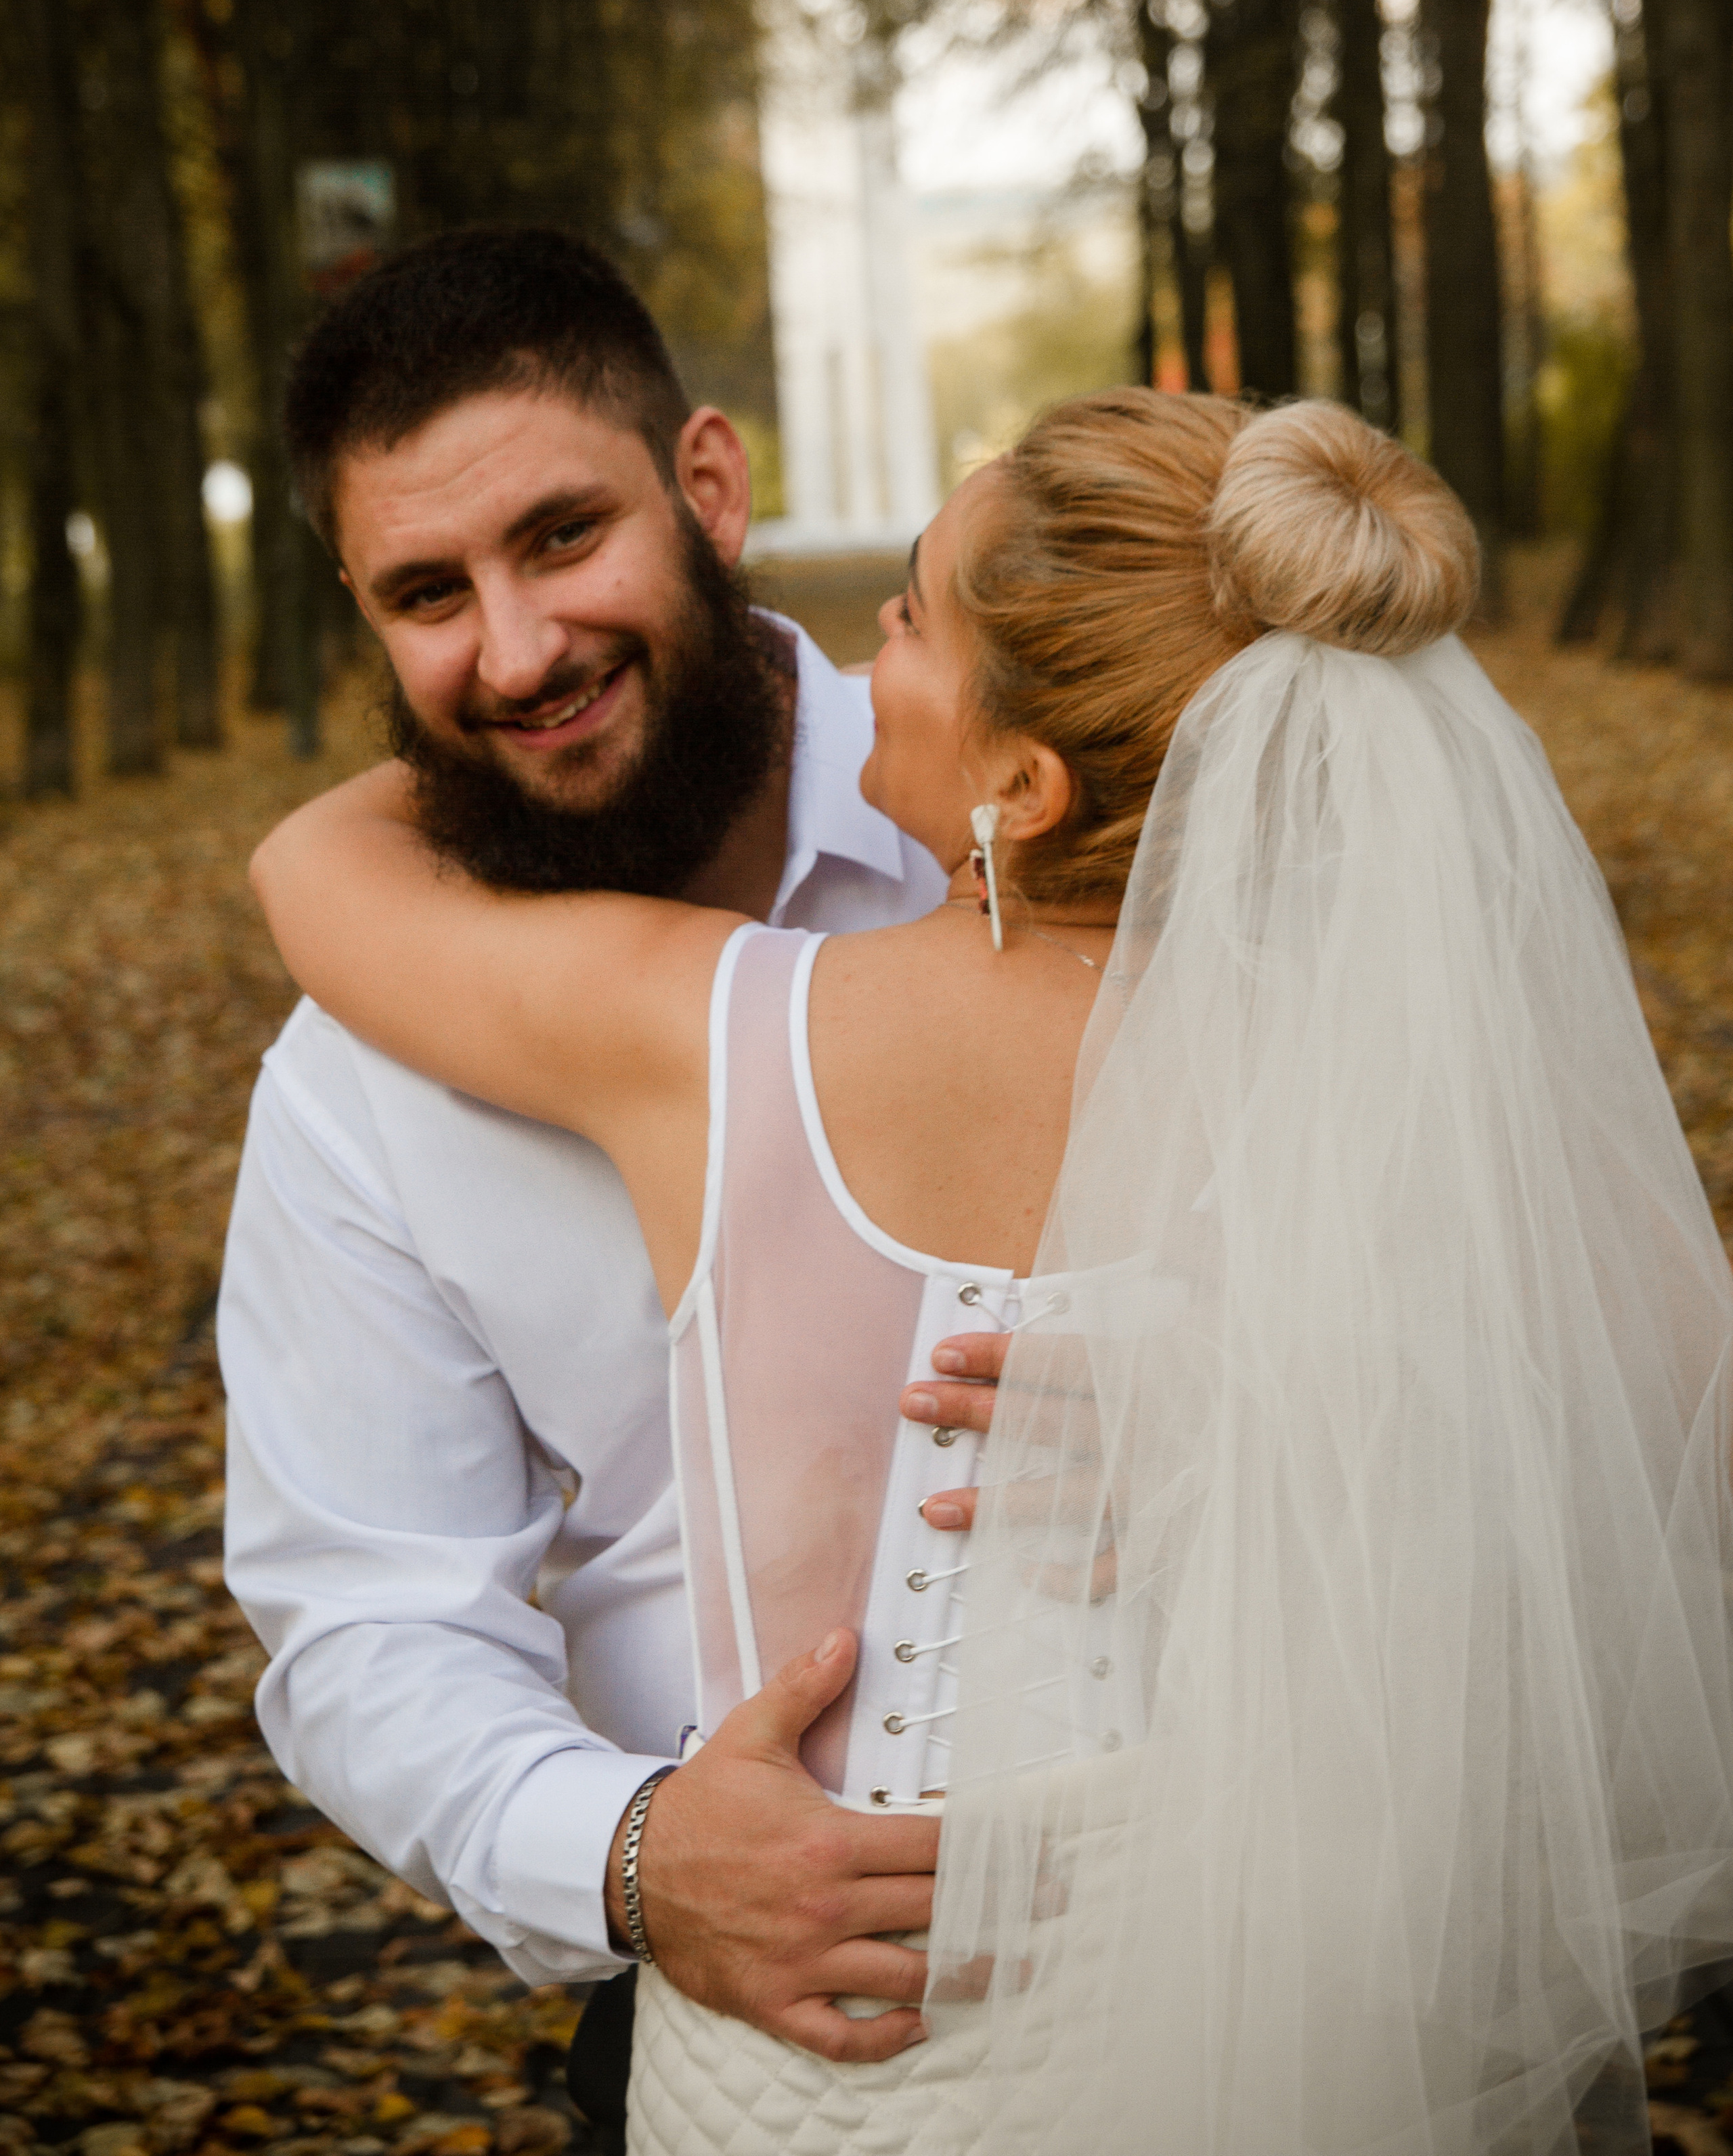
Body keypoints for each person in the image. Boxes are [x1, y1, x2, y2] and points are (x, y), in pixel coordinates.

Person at [250, 384, 1733, 2155]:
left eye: (907, 621)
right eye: (432, 592)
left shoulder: (727, 1035)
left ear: (1023, 785)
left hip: (866, 2064)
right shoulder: (1387, 1051)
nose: (865, 655)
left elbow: (311, 868)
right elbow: (1673, 1414)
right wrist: (1317, 1397)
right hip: (1333, 1999)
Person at [217, 228, 1003, 2150]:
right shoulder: (356, 1078)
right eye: (427, 593)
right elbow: (368, 1612)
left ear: (705, 486)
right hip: (746, 2014)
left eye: (562, 537)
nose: (514, 653)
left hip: (1236, 1901)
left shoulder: (1025, 818)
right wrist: (644, 1854)